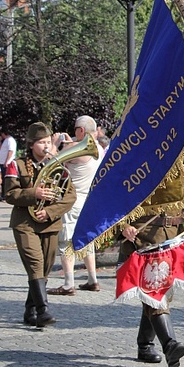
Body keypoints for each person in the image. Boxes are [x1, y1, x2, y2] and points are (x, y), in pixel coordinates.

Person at [120, 170, 184, 367]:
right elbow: (112, 205)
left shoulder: (178, 168)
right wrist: (123, 226)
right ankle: (169, 344)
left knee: (158, 293)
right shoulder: (133, 168)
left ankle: (145, 344)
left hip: (174, 240)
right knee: (155, 290)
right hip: (144, 239)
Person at [4, 122, 76, 327]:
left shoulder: (56, 165)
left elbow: (70, 196)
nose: (46, 146)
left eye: (47, 142)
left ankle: (30, 310)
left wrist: (51, 211)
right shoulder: (16, 164)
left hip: (50, 223)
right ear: (31, 144)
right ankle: (43, 310)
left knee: (44, 269)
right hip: (24, 222)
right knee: (35, 264)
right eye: (41, 142)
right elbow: (9, 194)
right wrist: (33, 194)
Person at [47, 116, 102, 296]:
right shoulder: (99, 149)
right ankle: (93, 279)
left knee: (66, 241)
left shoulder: (75, 148)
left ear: (81, 131)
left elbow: (50, 164)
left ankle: (68, 283)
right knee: (87, 240)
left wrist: (55, 144)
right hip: (90, 199)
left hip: (72, 199)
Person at [0, 129, 17, 200]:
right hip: (2, 162)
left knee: (6, 180)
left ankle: (5, 194)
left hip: (7, 163)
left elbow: (10, 151)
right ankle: (3, 194)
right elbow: (1, 149)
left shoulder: (10, 140)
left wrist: (7, 161)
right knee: (3, 179)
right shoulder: (6, 140)